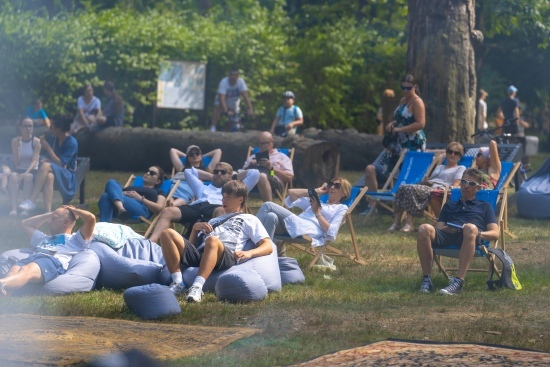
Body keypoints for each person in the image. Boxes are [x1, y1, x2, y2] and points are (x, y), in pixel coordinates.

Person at [160, 180, 272, 302]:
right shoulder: (213, 221)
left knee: (212, 240)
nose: (224, 200)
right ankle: (178, 283)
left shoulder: (250, 219)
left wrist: (249, 253)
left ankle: (197, 287)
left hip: (225, 255)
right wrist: (194, 229)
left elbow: (268, 246)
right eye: (223, 196)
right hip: (203, 254)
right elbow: (192, 247)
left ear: (240, 199)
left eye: (228, 197)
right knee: (167, 233)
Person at [416, 168, 499, 295]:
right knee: (424, 228)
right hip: (448, 234)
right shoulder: (450, 205)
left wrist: (477, 233)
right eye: (464, 182)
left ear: (478, 188)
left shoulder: (485, 206)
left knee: (470, 227)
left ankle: (458, 282)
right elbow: (438, 229)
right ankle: (427, 279)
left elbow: (495, 234)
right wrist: (446, 229)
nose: (466, 186)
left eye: (471, 184)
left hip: (469, 237)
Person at [362, 74, 427, 214]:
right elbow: (401, 118)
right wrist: (393, 124)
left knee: (403, 174)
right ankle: (376, 207)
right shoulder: (403, 100)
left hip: (412, 143)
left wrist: (400, 129)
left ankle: (401, 209)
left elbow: (421, 123)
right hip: (399, 142)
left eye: (408, 88)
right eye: (402, 87)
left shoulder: (417, 102)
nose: (404, 90)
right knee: (390, 172)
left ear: (415, 87)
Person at [148, 163, 260, 243]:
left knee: (221, 210)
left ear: (230, 175)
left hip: (216, 208)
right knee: (168, 211)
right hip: (196, 208)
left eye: (223, 172)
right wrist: (212, 177)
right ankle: (152, 241)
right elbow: (188, 172)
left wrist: (234, 178)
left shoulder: (236, 189)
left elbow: (255, 173)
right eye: (216, 171)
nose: (219, 174)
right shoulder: (202, 187)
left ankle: (218, 244)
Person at [0, 205, 96, 296]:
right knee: (13, 271)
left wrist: (74, 210)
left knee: (25, 270)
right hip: (33, 258)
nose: (49, 221)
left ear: (66, 222)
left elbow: (91, 219)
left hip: (51, 261)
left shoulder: (75, 240)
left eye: (53, 219)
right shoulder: (43, 238)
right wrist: (51, 214)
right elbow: (26, 223)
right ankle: (5, 295)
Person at [257, 177, 351, 257]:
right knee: (271, 217)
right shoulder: (318, 202)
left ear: (344, 193)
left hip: (306, 230)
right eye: (331, 184)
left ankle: (251, 243)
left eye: (337, 186)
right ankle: (264, 255)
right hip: (296, 225)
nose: (332, 187)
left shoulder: (341, 208)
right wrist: (316, 191)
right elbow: (292, 193)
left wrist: (317, 213)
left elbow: (332, 231)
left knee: (268, 205)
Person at [388, 142, 467, 233]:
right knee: (402, 187)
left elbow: (456, 184)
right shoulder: (440, 167)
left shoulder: (460, 168)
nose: (452, 154)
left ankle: (409, 224)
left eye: (456, 153)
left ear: (460, 157)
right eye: (450, 151)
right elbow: (431, 179)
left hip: (440, 190)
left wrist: (445, 188)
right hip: (428, 186)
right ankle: (396, 223)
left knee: (410, 189)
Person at [19, 114, 78, 213]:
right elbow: (49, 157)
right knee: (49, 176)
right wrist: (46, 159)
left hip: (67, 176)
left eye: (51, 126)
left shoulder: (72, 143)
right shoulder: (53, 138)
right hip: (55, 172)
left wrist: (48, 149)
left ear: (58, 128)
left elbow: (61, 163)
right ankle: (48, 213)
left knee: (46, 167)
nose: (50, 129)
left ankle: (31, 201)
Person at [238, 131, 294, 203]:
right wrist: (250, 166)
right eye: (261, 143)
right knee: (233, 174)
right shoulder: (253, 157)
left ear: (272, 143)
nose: (263, 146)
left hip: (274, 181)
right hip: (252, 184)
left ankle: (269, 208)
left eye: (266, 143)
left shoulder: (281, 157)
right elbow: (241, 174)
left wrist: (271, 168)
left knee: (261, 176)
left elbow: (289, 178)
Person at [98, 166, 166, 222]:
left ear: (157, 181)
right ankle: (121, 210)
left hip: (142, 208)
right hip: (122, 203)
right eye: (147, 171)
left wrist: (140, 198)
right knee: (111, 182)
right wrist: (122, 193)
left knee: (105, 196)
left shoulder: (159, 192)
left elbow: (159, 208)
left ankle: (104, 230)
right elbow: (115, 191)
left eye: (152, 173)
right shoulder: (134, 187)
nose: (147, 173)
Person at [7, 118, 41, 217]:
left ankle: (25, 209)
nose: (28, 129)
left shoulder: (36, 141)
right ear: (20, 128)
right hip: (19, 169)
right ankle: (13, 209)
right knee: (13, 176)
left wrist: (26, 172)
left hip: (32, 170)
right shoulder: (15, 141)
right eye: (25, 126)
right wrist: (17, 148)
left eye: (30, 126)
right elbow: (17, 162)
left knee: (28, 177)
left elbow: (34, 161)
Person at [209, 68, 254, 132]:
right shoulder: (224, 82)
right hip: (222, 102)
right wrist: (226, 110)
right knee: (217, 107)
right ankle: (213, 127)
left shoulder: (240, 82)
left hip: (233, 102)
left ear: (237, 76)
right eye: (231, 75)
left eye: (235, 75)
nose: (233, 77)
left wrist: (250, 109)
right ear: (228, 75)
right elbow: (221, 98)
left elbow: (246, 96)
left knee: (235, 124)